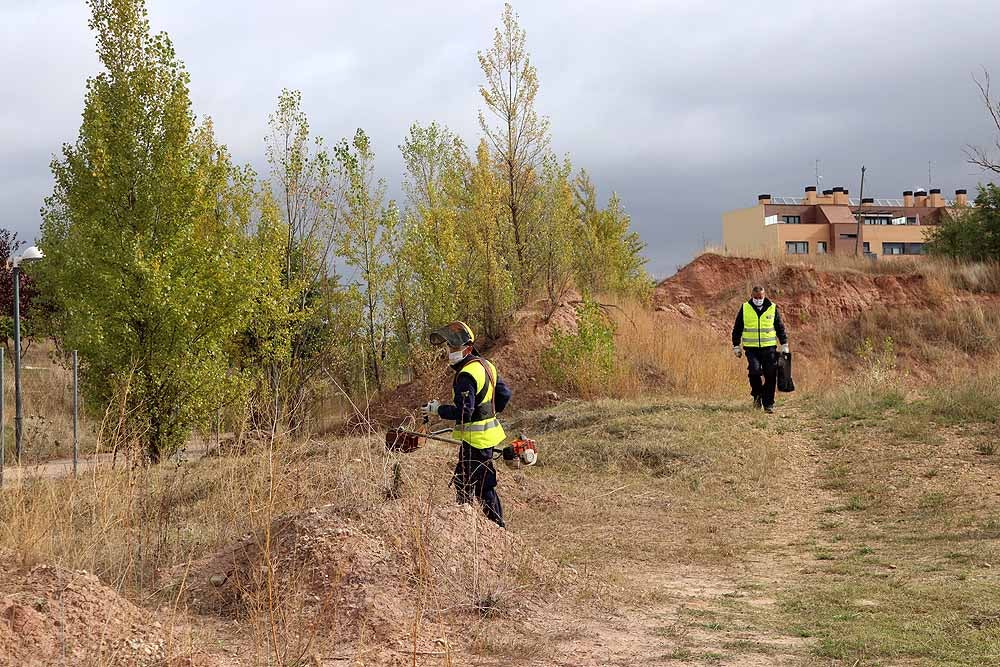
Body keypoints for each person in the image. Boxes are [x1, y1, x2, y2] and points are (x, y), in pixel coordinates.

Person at [423, 321, 512, 527]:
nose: (451, 352)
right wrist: (488, 412)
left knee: (477, 486)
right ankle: (476, 528)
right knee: (471, 481)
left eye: (455, 348)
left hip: (476, 441)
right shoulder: (486, 365)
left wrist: (438, 409)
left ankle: (493, 530)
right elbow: (504, 395)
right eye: (449, 348)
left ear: (468, 348)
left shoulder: (466, 375)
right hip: (486, 438)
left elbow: (464, 412)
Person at [731, 286, 789, 414]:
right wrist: (736, 346)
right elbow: (737, 328)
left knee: (770, 375)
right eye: (755, 297)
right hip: (751, 349)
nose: (758, 300)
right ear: (752, 296)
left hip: (769, 348)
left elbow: (780, 327)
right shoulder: (745, 308)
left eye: (760, 297)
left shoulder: (772, 307)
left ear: (764, 295)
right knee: (754, 372)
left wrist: (784, 344)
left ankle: (768, 404)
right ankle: (757, 396)